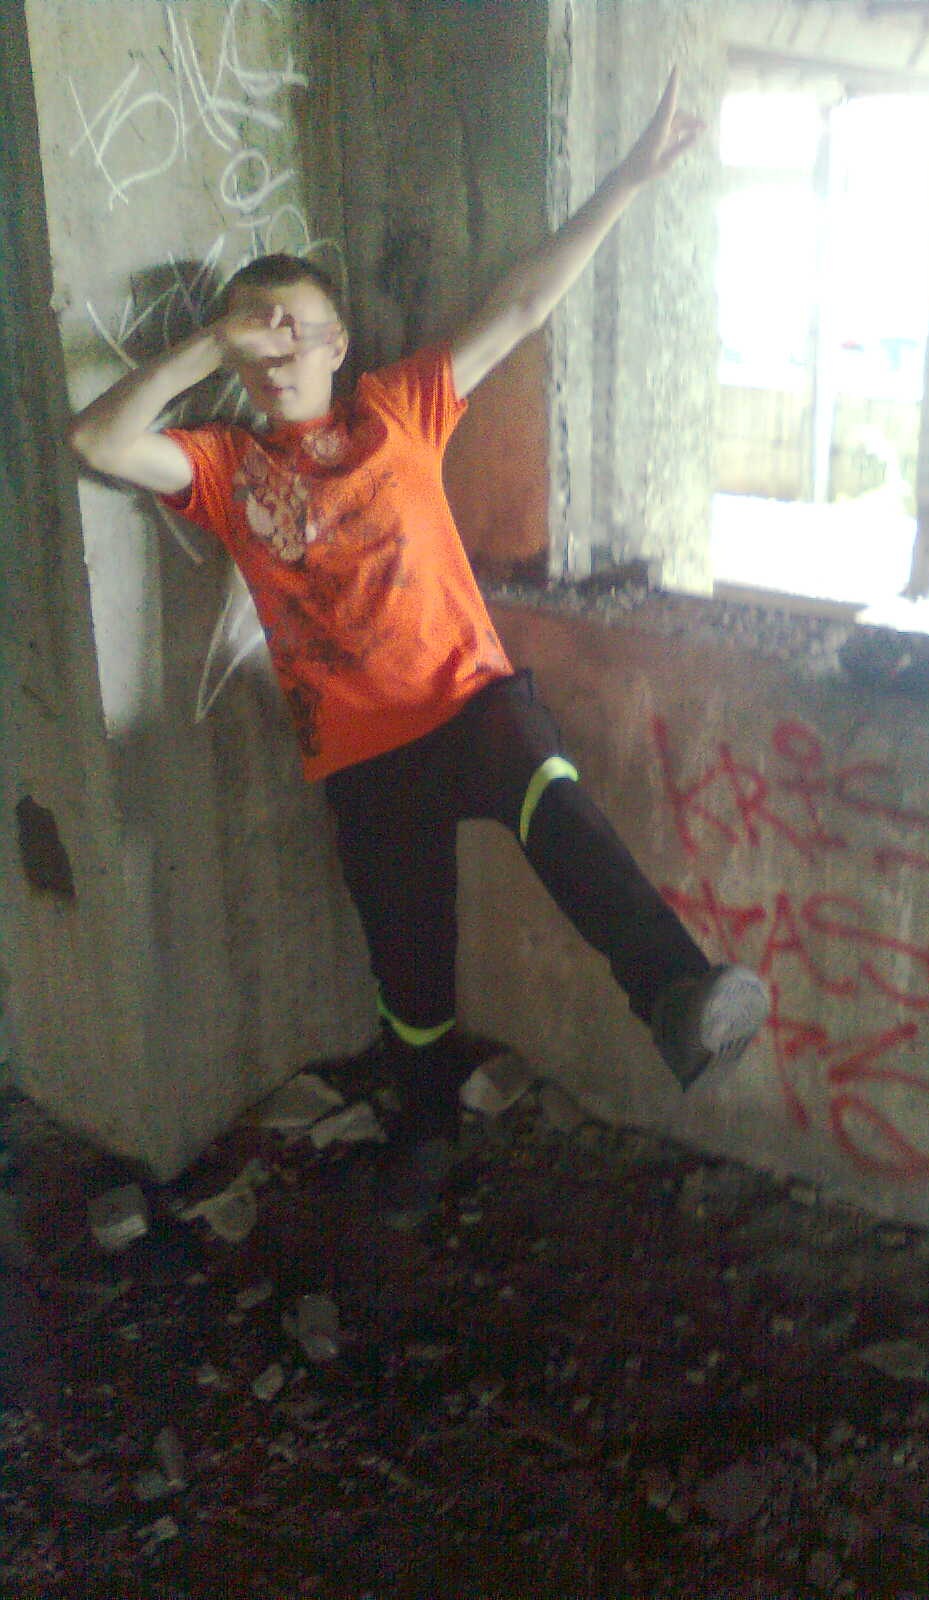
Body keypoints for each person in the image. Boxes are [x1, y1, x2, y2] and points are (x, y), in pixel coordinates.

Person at [69, 71, 769, 1180]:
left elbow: (523, 305)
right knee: (410, 967)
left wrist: (630, 179)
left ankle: (679, 993)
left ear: (340, 342)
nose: (278, 350)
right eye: (260, 336)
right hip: (360, 758)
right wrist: (214, 342)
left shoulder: (398, 409)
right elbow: (98, 441)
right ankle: (427, 1131)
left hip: (471, 705)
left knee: (556, 801)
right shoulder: (225, 466)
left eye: (297, 328)